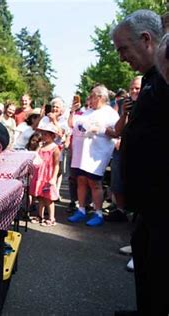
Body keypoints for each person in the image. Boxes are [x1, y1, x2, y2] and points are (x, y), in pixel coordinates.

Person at [111, 9, 169, 315]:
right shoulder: (150, 79)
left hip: (162, 201)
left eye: (123, 49)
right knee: (146, 260)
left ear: (146, 39)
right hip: (148, 202)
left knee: (158, 268)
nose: (121, 58)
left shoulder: (163, 78)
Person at [67, 84, 119, 227]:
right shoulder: (87, 111)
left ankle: (98, 212)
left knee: (95, 183)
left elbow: (116, 132)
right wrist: (73, 111)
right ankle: (81, 209)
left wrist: (100, 130)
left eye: (92, 96)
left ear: (100, 97)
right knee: (81, 180)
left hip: (97, 153)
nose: (89, 99)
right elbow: (73, 125)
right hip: (82, 153)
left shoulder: (110, 113)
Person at [104, 76, 141, 223]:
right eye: (131, 88)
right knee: (117, 179)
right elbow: (118, 129)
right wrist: (125, 112)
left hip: (141, 150)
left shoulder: (151, 101)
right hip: (123, 148)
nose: (134, 91)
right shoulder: (121, 103)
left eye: (137, 88)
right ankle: (120, 210)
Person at [29, 119, 60, 227]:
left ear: (52, 136)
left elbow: (56, 164)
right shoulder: (42, 146)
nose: (43, 135)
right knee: (40, 196)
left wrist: (53, 178)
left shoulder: (55, 148)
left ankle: (51, 218)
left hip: (48, 175)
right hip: (39, 174)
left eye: (46, 134)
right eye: (43, 134)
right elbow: (35, 155)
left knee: (49, 198)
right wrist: (39, 146)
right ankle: (40, 215)